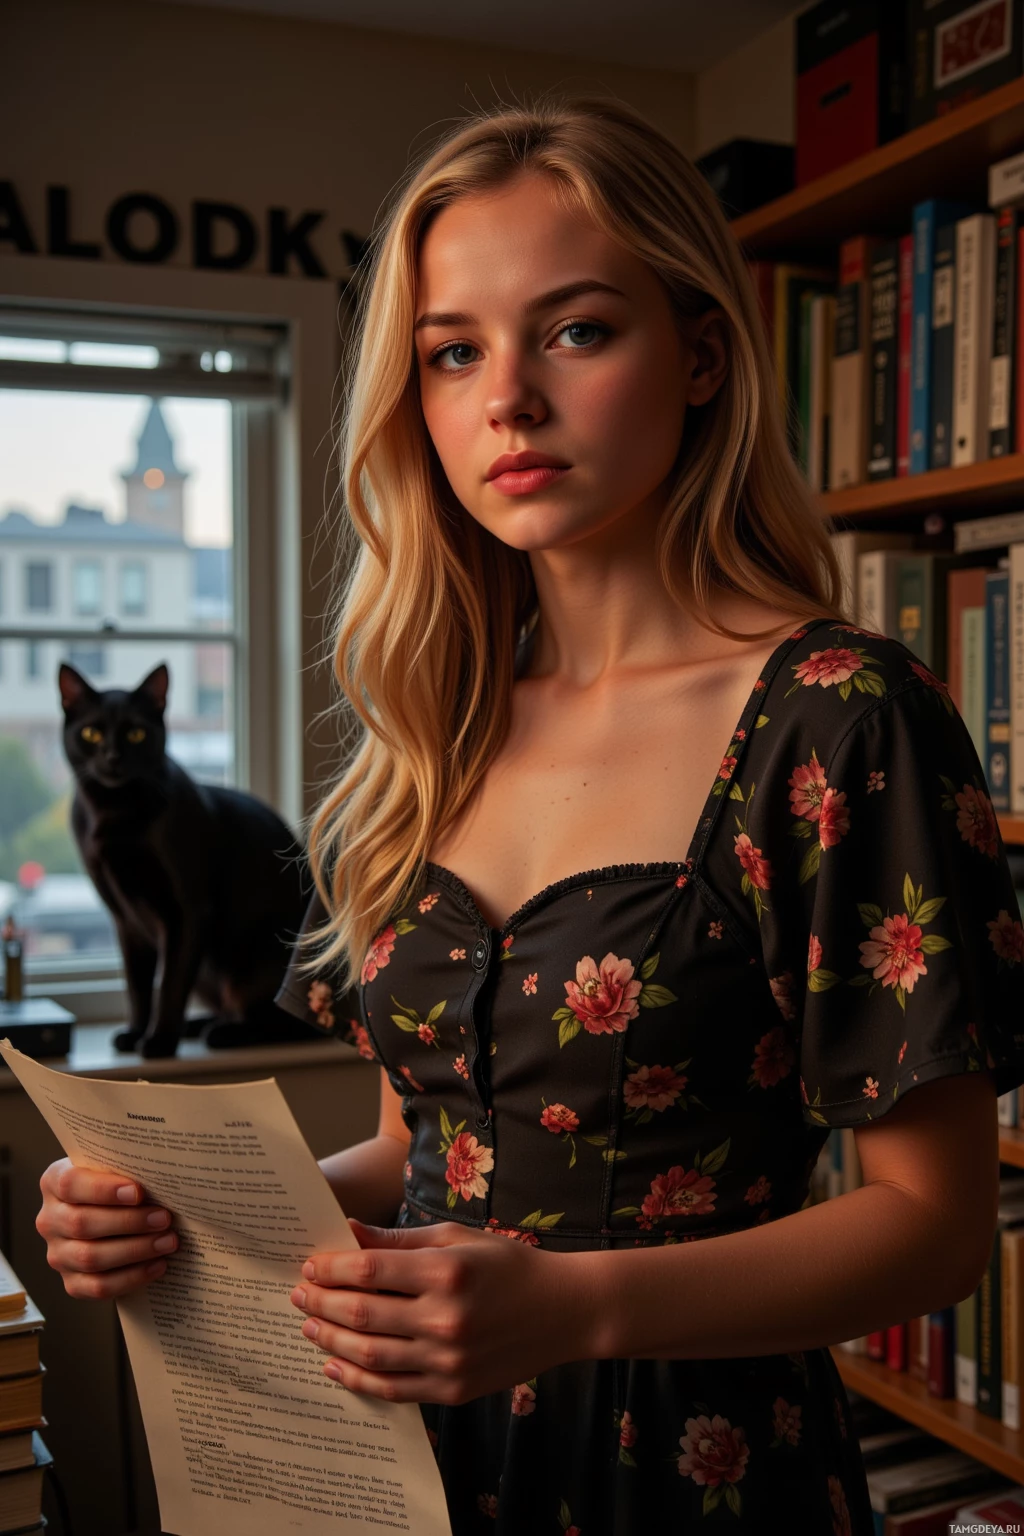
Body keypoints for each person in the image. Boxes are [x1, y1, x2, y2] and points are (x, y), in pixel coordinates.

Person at [36, 98, 1024, 1533]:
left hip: (690, 1472)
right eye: (453, 352)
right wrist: (204, 1216)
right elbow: (421, 1150)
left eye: (573, 330)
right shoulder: (437, 719)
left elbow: (932, 1233)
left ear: (697, 355)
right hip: (394, 1465)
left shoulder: (837, 714)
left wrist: (572, 1307)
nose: (507, 398)